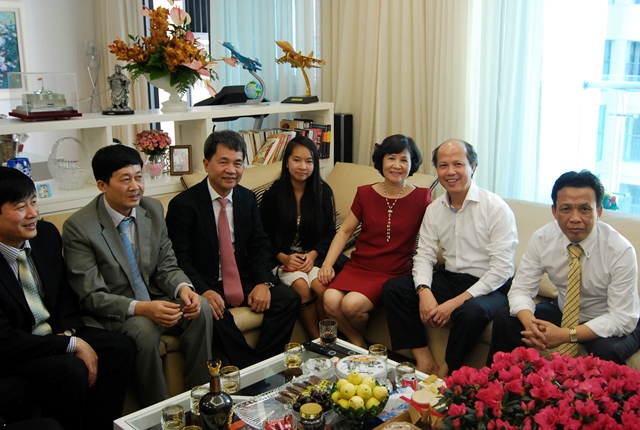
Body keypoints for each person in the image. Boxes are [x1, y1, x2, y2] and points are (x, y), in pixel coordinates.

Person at [62, 144, 213, 407]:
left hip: (155, 298)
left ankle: (202, 398)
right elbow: (92, 296)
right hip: (116, 311)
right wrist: (143, 308)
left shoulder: (152, 209)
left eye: (139, 177)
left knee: (201, 307)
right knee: (143, 329)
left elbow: (166, 264)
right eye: (125, 179)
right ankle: (160, 412)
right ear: (102, 185)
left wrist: (183, 289)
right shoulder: (79, 227)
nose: (135, 187)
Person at [0, 167, 135, 430]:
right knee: (70, 370)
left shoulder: (46, 236)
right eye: (20, 207)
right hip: (18, 350)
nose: (32, 213)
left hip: (54, 333)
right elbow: (6, 340)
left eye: (34, 202)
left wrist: (69, 333)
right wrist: (68, 345)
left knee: (119, 348)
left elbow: (63, 293)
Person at [166, 130, 301, 369]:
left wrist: (263, 282)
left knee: (289, 299)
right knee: (213, 315)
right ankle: (254, 371)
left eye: (238, 163)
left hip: (242, 279)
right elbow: (180, 258)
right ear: (206, 164)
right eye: (223, 162)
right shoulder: (183, 205)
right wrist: (204, 291)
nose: (231, 170)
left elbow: (260, 245)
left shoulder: (246, 198)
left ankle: (264, 365)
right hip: (208, 284)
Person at [382, 139, 518, 377]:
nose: (450, 172)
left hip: (490, 285)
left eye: (458, 164)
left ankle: (446, 372)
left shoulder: (495, 208)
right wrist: (424, 291)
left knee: (472, 312)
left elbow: (501, 270)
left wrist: (454, 303)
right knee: (395, 289)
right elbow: (424, 255)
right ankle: (424, 361)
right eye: (443, 165)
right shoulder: (434, 209)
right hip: (451, 278)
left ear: (472, 167)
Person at [488, 170, 640, 364]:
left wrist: (567, 334)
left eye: (584, 209)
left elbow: (622, 317)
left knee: (607, 351)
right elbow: (521, 289)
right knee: (506, 319)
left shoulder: (620, 250)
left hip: (610, 317)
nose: (575, 218)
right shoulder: (543, 239)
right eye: (566, 209)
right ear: (554, 211)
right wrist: (530, 324)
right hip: (565, 312)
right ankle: (499, 381)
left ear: (599, 211)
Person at [317, 134, 432, 348]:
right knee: (330, 299)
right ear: (381, 160)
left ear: (412, 164)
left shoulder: (422, 197)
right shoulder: (365, 193)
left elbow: (433, 235)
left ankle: (356, 345)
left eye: (404, 160)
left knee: (351, 305)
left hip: (392, 271)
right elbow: (344, 231)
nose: (397, 165)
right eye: (391, 158)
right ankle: (358, 343)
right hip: (360, 266)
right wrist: (327, 264)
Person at [260, 136, 345, 338]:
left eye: (309, 161)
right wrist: (283, 257)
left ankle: (330, 339)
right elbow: (262, 235)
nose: (303, 167)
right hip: (282, 258)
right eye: (296, 160)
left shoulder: (323, 192)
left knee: (321, 287)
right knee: (301, 286)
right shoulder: (273, 194)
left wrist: (313, 255)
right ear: (287, 162)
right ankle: (317, 340)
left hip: (314, 256)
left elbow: (329, 232)